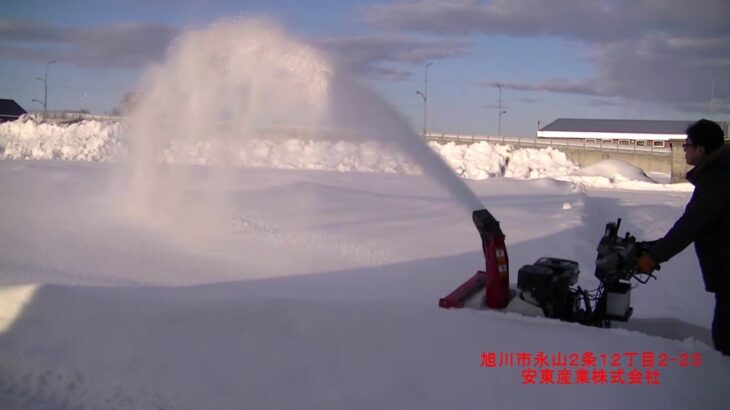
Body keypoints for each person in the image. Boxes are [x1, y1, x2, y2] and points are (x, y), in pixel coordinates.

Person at [635, 119, 730, 356]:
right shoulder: (721, 169)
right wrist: (653, 247)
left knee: (726, 336)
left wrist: (652, 257)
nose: (684, 149)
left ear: (701, 149)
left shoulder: (718, 179)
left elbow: (690, 226)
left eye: (687, 145)